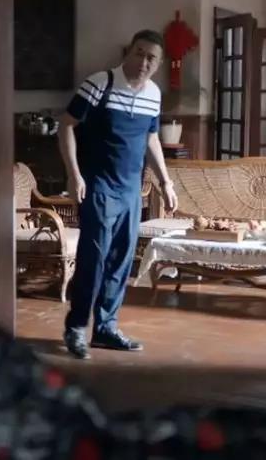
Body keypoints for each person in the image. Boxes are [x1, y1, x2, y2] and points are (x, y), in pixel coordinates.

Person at [57, 29, 179, 360]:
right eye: (139, 53)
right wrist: (74, 174)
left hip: (130, 191)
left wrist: (166, 182)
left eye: (152, 58)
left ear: (159, 63)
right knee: (94, 259)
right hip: (98, 185)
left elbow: (151, 139)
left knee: (121, 261)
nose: (144, 62)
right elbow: (66, 124)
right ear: (129, 51)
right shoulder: (101, 83)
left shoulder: (154, 94)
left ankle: (106, 329)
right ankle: (76, 327)